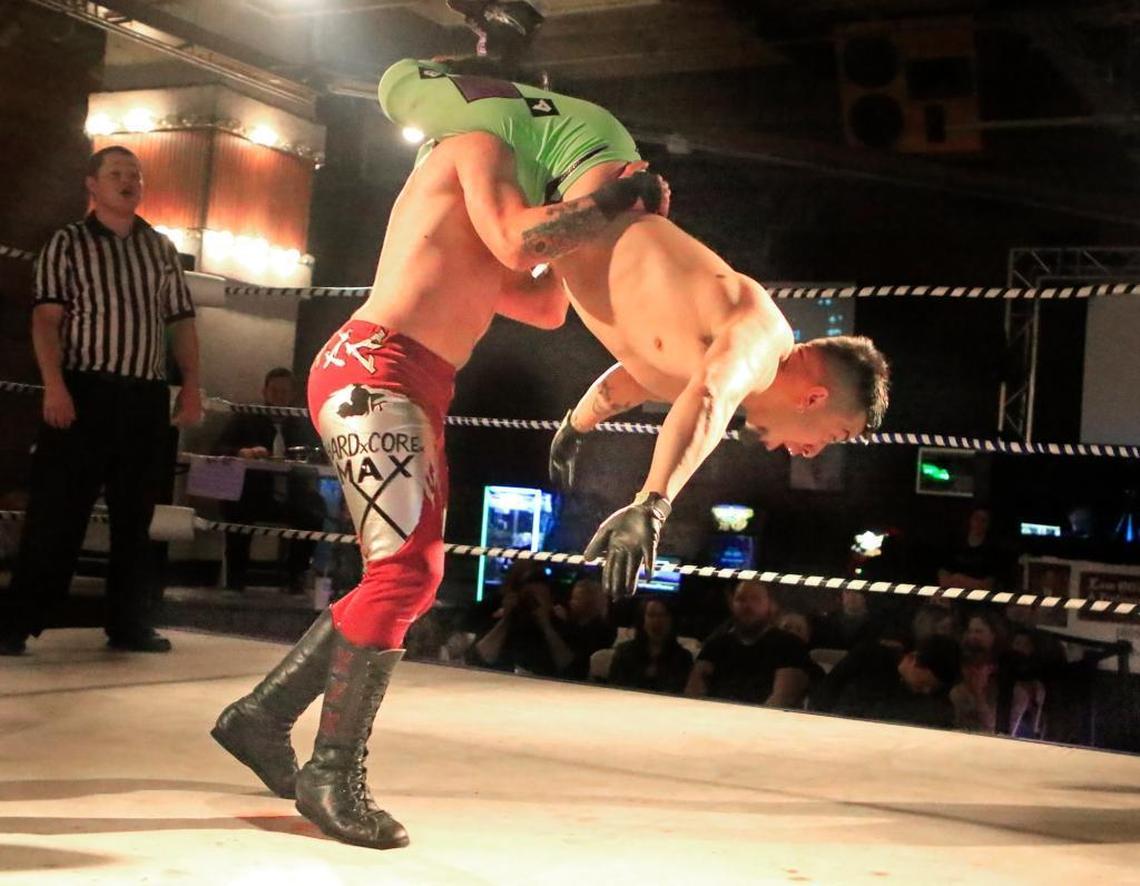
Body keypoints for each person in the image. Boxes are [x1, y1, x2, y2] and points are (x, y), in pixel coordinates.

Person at [211, 66, 670, 849]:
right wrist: (608, 204)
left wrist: (598, 223)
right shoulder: (475, 144)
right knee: (405, 575)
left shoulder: (513, 197)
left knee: (406, 579)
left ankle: (262, 716)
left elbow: (545, 305)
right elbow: (516, 242)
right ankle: (330, 771)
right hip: (374, 369)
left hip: (413, 383)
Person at [378, 55, 890, 600]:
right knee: (397, 90)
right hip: (582, 157)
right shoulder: (762, 343)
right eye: (835, 436)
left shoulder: (720, 366)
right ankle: (492, 57)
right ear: (814, 398)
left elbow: (635, 378)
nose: (811, 452)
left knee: (539, 306)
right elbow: (708, 400)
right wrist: (654, 503)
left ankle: (502, 74)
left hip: (557, 194)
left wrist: (576, 426)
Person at [0, 146, 202, 657]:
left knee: (136, 516)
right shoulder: (67, 242)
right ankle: (16, 622)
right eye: (116, 173)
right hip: (84, 389)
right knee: (56, 512)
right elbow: (46, 320)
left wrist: (192, 383)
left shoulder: (160, 248)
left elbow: (181, 321)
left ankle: (129, 622)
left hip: (144, 394)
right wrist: (54, 385)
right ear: (92, 184)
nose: (128, 181)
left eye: (135, 174)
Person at [213, 367, 325, 593]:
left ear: (292, 394)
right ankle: (236, 579)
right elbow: (217, 449)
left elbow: (319, 453)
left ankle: (296, 577)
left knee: (315, 509)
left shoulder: (302, 422)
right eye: (275, 391)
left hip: (293, 496)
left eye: (285, 392)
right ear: (264, 392)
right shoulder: (247, 417)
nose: (279, 396)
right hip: (252, 493)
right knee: (236, 509)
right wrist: (243, 452)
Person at [685, 581, 812, 707]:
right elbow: (693, 692)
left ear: (770, 604)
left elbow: (782, 698)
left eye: (755, 599)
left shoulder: (789, 645)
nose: (747, 606)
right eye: (741, 599)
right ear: (732, 604)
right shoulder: (716, 645)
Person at [811, 633, 961, 729]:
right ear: (913, 660)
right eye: (924, 685)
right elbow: (826, 692)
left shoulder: (933, 702)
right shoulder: (869, 657)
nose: (927, 691)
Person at [608, 597, 693, 694]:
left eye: (663, 615)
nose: (657, 621)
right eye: (651, 615)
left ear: (671, 621)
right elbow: (615, 687)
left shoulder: (683, 658)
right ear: (642, 621)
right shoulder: (624, 652)